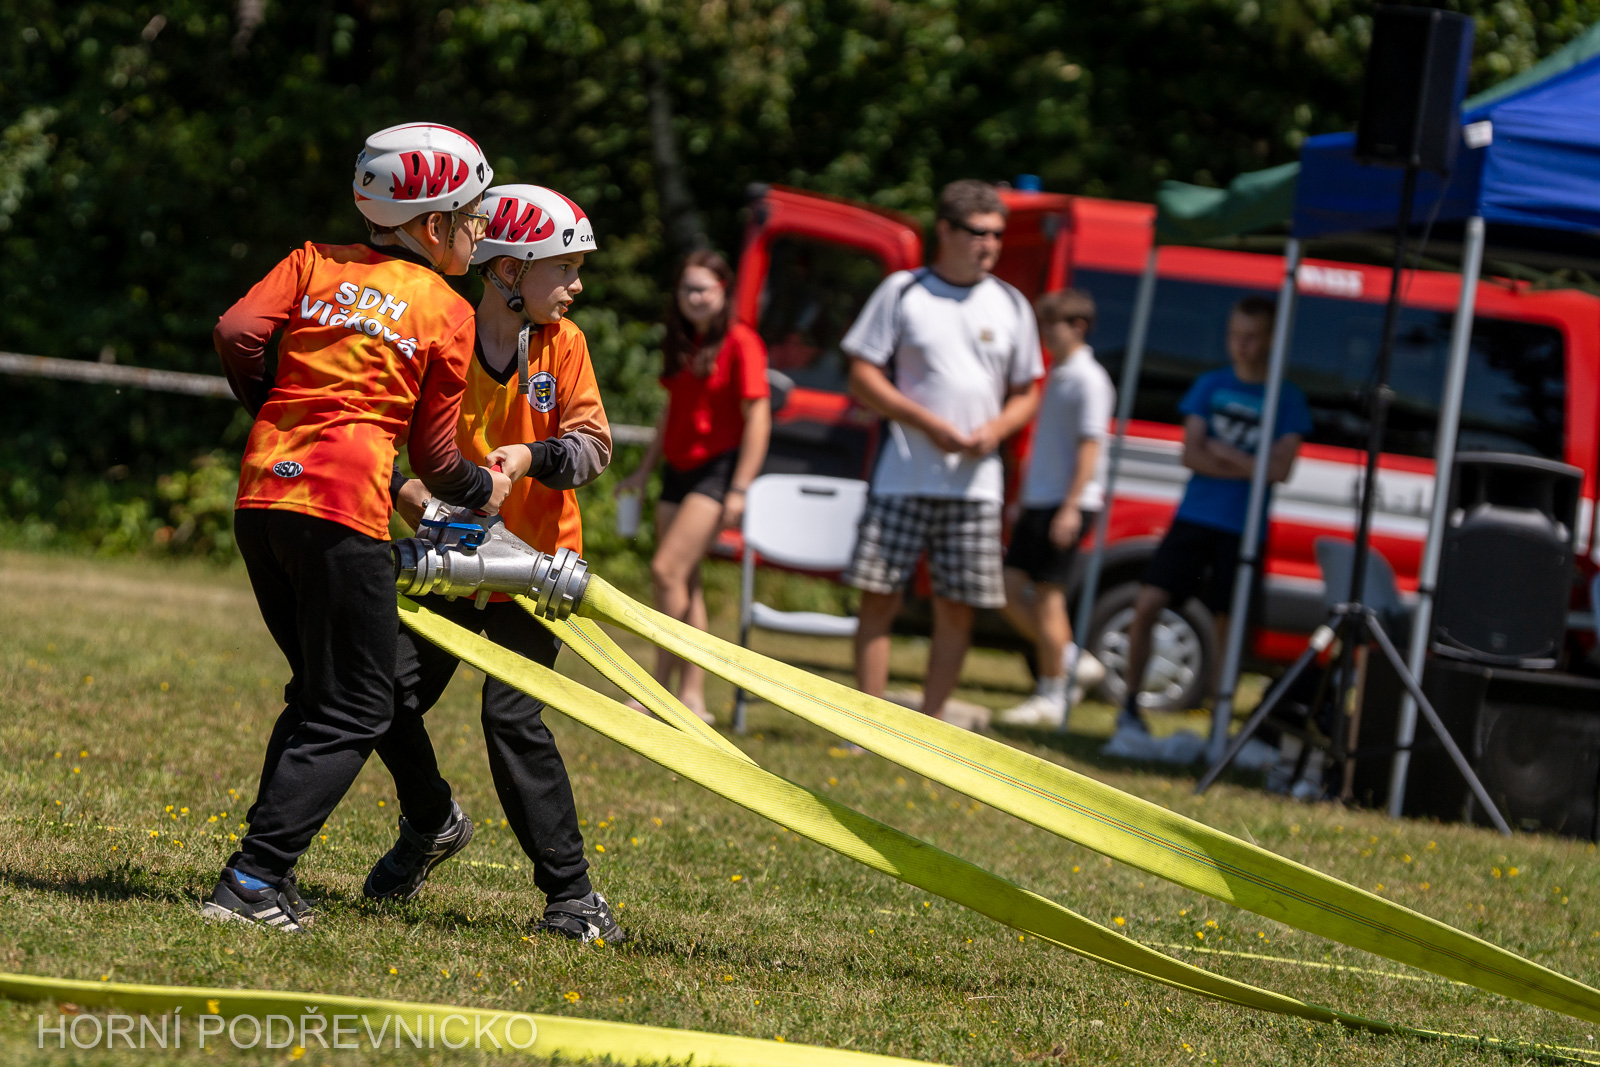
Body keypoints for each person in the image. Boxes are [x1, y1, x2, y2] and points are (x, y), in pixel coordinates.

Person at [205, 122, 511, 932]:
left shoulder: (312, 261)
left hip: (263, 495)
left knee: (321, 690)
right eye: (473, 214)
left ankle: (269, 871)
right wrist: (484, 486)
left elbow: (236, 331)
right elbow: (438, 458)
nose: (480, 228)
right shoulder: (446, 309)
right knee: (359, 706)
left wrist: (275, 407)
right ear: (434, 224)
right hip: (343, 513)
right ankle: (252, 880)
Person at [369, 184, 625, 944]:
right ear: (509, 271)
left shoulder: (565, 344)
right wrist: (408, 493)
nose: (576, 286)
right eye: (563, 269)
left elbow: (593, 447)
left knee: (511, 717)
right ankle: (431, 822)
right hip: (451, 560)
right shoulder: (435, 329)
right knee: (377, 694)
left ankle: (574, 898)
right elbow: (374, 433)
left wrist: (530, 457)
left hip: (535, 571)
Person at [841, 180, 1042, 724]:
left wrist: (996, 429)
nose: (990, 245)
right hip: (902, 474)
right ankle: (868, 726)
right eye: (978, 233)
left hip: (976, 484)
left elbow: (1028, 392)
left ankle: (930, 732)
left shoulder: (1011, 303)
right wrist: (926, 422)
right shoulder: (904, 290)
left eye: (997, 235)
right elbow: (862, 374)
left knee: (958, 607)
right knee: (879, 597)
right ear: (946, 231)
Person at [1115, 294, 1312, 733]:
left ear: (1270, 340)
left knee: (1230, 623)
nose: (1241, 345)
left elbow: (1279, 471)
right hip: (1195, 517)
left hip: (1244, 527)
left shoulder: (1287, 398)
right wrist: (1252, 464)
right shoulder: (1210, 384)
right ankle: (1129, 704)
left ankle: (1218, 719)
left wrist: (1225, 453)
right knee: (1148, 603)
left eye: (1251, 337)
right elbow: (1192, 455)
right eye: (1235, 335)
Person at [614, 251, 771, 723]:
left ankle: (659, 688)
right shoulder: (684, 340)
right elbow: (672, 410)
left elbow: (758, 418)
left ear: (724, 291)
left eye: (703, 288)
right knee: (686, 581)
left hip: (717, 472)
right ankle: (693, 697)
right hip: (677, 469)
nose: (694, 297)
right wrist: (644, 471)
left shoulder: (742, 342)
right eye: (687, 288)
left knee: (665, 571)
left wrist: (740, 488)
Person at [998, 289, 1114, 728]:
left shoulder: (1089, 379)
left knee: (1049, 597)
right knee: (1006, 589)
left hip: (1065, 503)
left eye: (1053, 324)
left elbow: (1090, 448)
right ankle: (1071, 659)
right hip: (1040, 500)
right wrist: (1023, 498)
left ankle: (1051, 692)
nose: (1045, 333)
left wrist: (1070, 507)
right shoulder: (1060, 374)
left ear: (1078, 327)